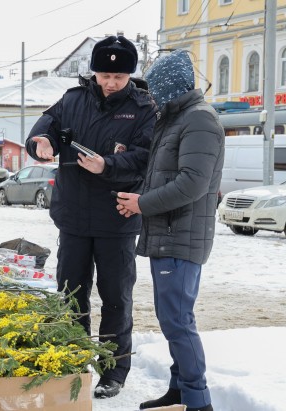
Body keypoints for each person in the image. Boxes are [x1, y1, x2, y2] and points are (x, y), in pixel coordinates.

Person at [25, 35, 157, 398]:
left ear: (129, 74)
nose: (111, 82)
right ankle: (73, 360)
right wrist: (42, 142)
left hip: (117, 217)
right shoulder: (73, 99)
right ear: (94, 72)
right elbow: (44, 125)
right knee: (70, 293)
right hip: (73, 217)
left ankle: (113, 371)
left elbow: (147, 157)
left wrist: (107, 165)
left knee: (115, 297)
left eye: (118, 76)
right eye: (104, 75)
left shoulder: (144, 106)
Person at [116, 50, 223, 411]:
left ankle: (198, 401)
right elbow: (162, 174)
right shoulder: (176, 119)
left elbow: (192, 183)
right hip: (168, 234)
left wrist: (141, 204)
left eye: (154, 89)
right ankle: (180, 391)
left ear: (169, 86)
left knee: (178, 321)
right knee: (172, 319)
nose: (150, 97)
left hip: (180, 236)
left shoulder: (199, 121)